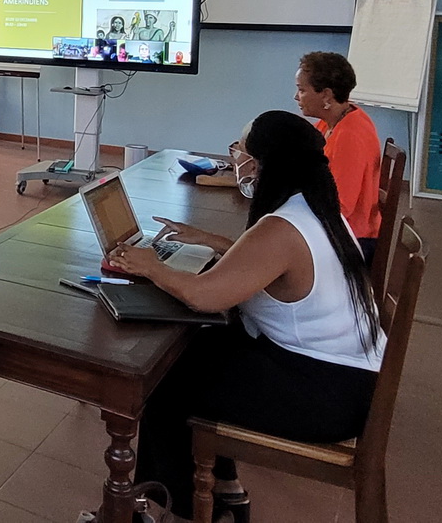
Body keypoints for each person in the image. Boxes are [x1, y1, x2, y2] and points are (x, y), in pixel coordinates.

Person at [107, 111, 384, 523]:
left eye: (241, 150)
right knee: (200, 349)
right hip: (343, 374)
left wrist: (150, 266)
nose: (236, 158)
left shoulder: (282, 227)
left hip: (324, 393)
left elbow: (204, 296)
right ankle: (227, 490)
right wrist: (210, 241)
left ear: (263, 163)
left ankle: (169, 506)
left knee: (163, 381)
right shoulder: (314, 207)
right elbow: (264, 260)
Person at [295, 51, 384, 259]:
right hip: (341, 230)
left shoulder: (350, 135)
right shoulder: (333, 120)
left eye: (301, 90)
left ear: (326, 95)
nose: (296, 97)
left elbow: (341, 206)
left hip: (352, 239)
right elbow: (305, 158)